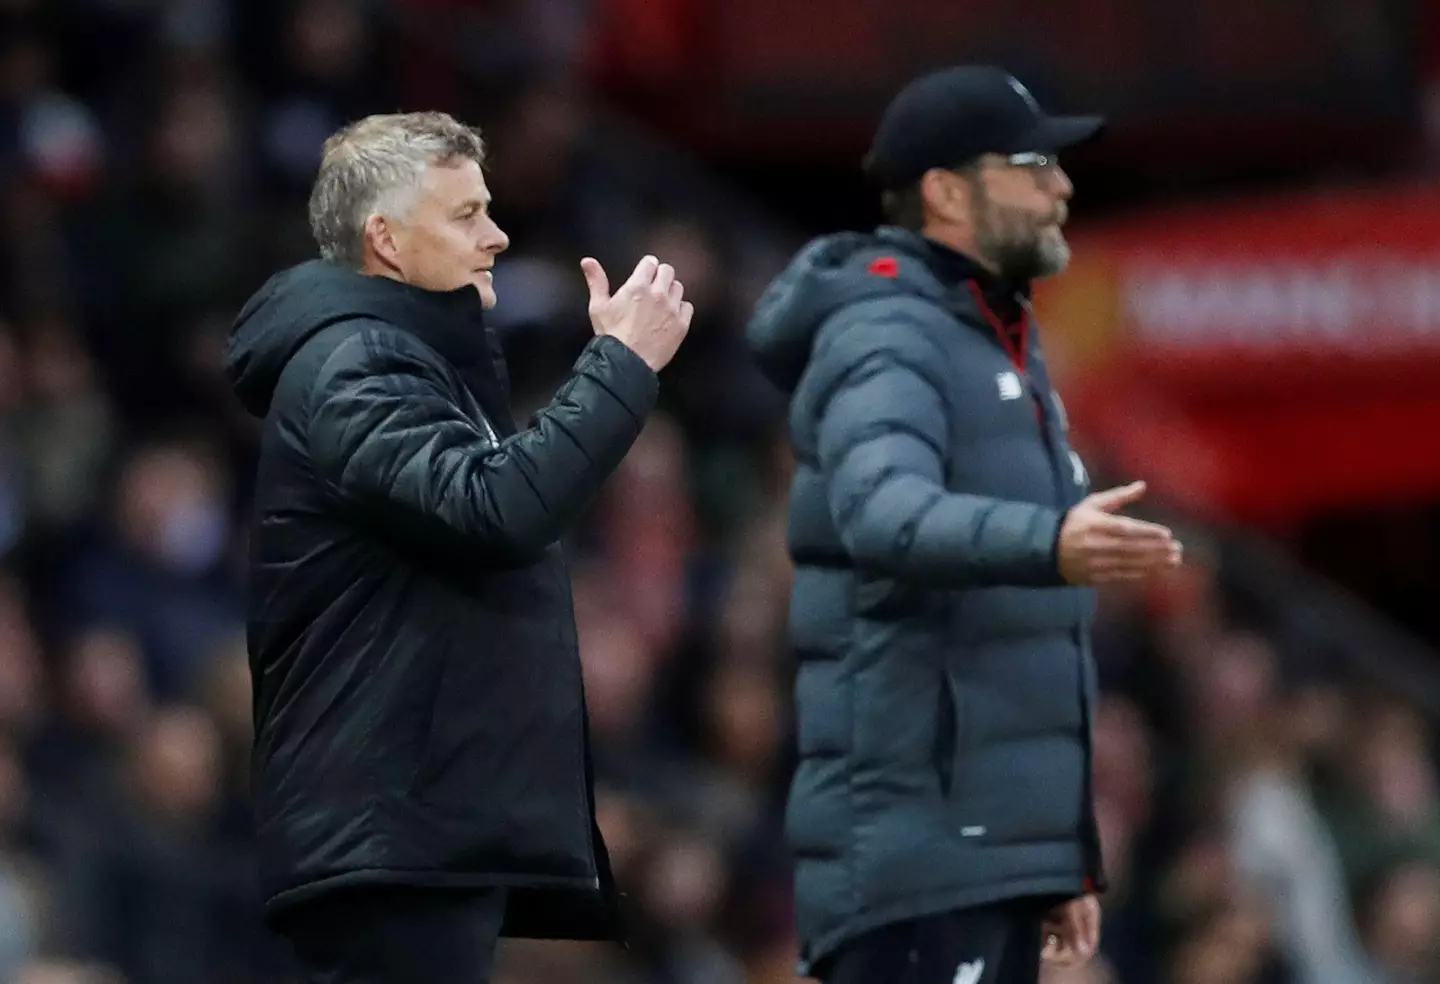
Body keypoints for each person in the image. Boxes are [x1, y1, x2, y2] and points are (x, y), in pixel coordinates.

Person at [223, 111, 692, 984]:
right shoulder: (353, 365)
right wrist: (621, 364)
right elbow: (498, 509)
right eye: (467, 214)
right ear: (387, 240)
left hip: (413, 829)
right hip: (389, 834)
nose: (498, 236)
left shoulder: (406, 361)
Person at [745, 66, 1183, 984]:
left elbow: (1014, 652)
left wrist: (1054, 853)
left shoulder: (991, 334)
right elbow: (883, 515)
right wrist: (1049, 543)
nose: (1062, 186)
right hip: (919, 861)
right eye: (1033, 164)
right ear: (946, 191)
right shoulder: (885, 331)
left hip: (981, 854)